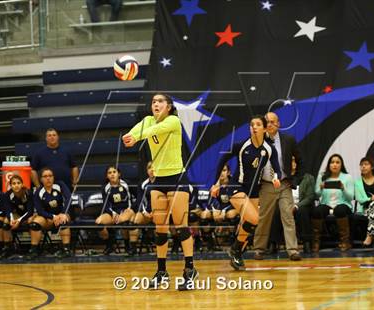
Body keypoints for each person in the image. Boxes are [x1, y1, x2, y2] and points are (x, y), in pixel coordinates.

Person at [122, 93, 198, 290]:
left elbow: (152, 130)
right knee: (160, 229)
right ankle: (161, 271)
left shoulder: (173, 121)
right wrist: (129, 137)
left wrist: (137, 136)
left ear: (169, 106)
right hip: (158, 180)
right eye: (153, 102)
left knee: (181, 226)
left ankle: (190, 269)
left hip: (177, 178)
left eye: (160, 101)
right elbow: (136, 131)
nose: (156, 104)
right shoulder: (147, 120)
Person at [212, 115, 281, 270]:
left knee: (249, 223)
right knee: (255, 219)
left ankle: (237, 253)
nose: (254, 127)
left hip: (254, 189)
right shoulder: (241, 145)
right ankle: (236, 249)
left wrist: (276, 178)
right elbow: (222, 159)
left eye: (258, 124)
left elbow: (277, 168)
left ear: (264, 129)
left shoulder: (269, 149)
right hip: (236, 186)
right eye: (251, 125)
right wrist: (215, 183)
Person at [254, 112, 303, 261]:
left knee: (288, 216)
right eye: (266, 122)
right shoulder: (257, 141)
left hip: (284, 184)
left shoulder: (288, 140)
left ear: (278, 124)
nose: (269, 124)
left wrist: (294, 180)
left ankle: (293, 250)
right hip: (267, 185)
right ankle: (258, 249)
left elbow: (301, 161)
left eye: (272, 122)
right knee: (263, 218)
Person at [27, 168, 72, 259]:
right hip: (48, 218)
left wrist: (62, 213)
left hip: (62, 214)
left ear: (53, 177)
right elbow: (40, 211)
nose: (48, 178)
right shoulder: (38, 192)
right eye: (45, 176)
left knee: (63, 220)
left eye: (50, 176)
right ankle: (34, 250)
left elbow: (69, 199)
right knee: (35, 224)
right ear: (41, 179)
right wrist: (53, 216)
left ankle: (66, 249)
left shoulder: (60, 185)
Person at [313, 154, 354, 252]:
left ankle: (345, 241)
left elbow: (350, 197)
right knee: (317, 211)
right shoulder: (322, 176)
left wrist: (343, 188)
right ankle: (316, 241)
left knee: (340, 210)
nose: (334, 165)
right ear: (329, 165)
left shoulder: (347, 177)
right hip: (327, 204)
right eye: (332, 162)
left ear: (341, 165)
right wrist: (320, 188)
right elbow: (317, 195)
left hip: (343, 204)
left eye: (337, 162)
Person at [95, 165, 135, 255]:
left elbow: (137, 198)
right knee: (98, 223)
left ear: (119, 174)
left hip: (126, 211)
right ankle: (109, 245)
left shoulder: (126, 184)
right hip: (112, 213)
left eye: (114, 172)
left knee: (124, 221)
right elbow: (105, 204)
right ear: (107, 176)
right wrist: (112, 213)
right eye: (109, 173)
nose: (112, 174)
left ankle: (127, 245)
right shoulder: (105, 187)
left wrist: (130, 209)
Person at [2, 175, 36, 258]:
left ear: (22, 184)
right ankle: (8, 248)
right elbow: (8, 210)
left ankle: (33, 248)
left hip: (29, 215)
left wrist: (19, 221)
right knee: (6, 222)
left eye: (18, 183)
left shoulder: (28, 193)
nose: (16, 185)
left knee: (31, 221)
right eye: (13, 183)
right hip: (17, 214)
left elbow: (30, 211)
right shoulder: (7, 194)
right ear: (10, 185)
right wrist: (12, 220)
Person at [291, 157, 315, 254]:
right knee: (275, 211)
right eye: (290, 160)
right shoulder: (283, 178)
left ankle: (307, 243)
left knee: (302, 211)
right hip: (286, 205)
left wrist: (296, 206)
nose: (292, 163)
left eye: (294, 160)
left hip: (303, 205)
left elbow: (310, 197)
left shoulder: (308, 178)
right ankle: (273, 244)